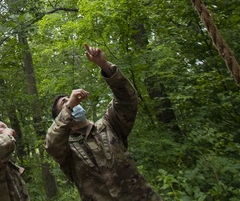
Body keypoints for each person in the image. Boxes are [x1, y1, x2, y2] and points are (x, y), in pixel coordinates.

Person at [45, 45, 161, 200]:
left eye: (70, 100)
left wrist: (104, 66)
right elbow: (51, 144)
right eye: (64, 104)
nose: (72, 102)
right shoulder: (67, 151)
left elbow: (127, 100)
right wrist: (69, 106)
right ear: (61, 118)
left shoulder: (108, 126)